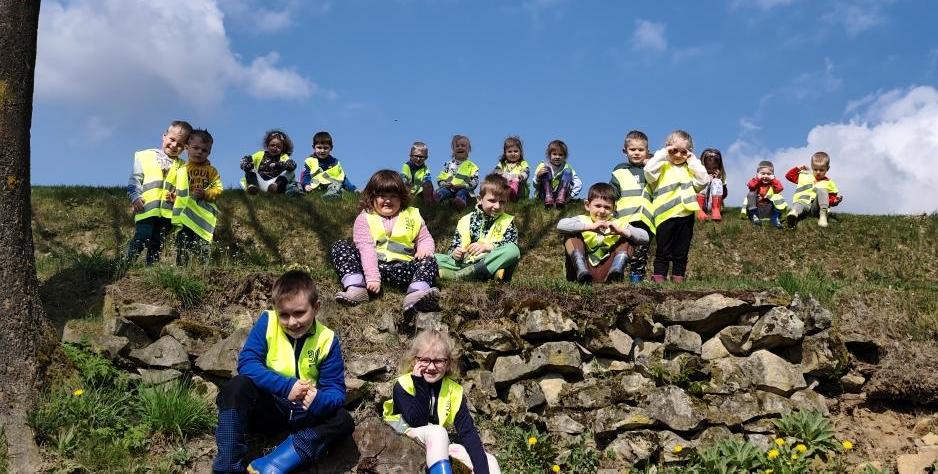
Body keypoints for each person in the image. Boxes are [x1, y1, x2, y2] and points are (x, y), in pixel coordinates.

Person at [213, 270, 354, 474]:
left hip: (304, 414)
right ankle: (228, 467)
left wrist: (318, 400)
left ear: (316, 308)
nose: (292, 322)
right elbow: (247, 363)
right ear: (276, 310)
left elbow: (336, 391)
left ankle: (273, 464)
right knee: (236, 387)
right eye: (284, 315)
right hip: (269, 407)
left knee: (343, 420)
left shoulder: (328, 339)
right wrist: (287, 387)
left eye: (299, 313)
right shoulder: (267, 322)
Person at [382, 330, 501, 474]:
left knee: (490, 461)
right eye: (425, 360)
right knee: (438, 432)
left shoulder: (453, 391)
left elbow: (468, 434)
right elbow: (417, 421)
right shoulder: (403, 384)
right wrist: (419, 383)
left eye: (438, 361)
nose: (431, 367)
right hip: (399, 436)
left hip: (434, 443)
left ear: (448, 363)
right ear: (415, 360)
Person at [330, 170, 441, 312]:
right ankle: (356, 288)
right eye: (382, 196)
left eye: (393, 196)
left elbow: (425, 238)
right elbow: (366, 249)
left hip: (403, 269)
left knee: (430, 260)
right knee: (341, 246)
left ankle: (416, 294)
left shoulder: (413, 215)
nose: (388, 200)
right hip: (372, 269)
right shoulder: (364, 218)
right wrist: (373, 278)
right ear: (372, 197)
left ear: (401, 198)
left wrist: (424, 249)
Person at [645, 130, 710, 283]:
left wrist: (692, 160)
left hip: (685, 214)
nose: (679, 155)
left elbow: (703, 181)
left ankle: (678, 277)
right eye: (674, 150)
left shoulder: (690, 169)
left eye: (683, 152)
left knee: (682, 250)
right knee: (663, 249)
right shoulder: (662, 166)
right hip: (665, 215)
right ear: (667, 148)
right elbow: (648, 171)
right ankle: (659, 276)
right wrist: (664, 153)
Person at [126, 120, 192, 266]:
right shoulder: (145, 156)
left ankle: (152, 270)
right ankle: (125, 264)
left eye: (180, 144)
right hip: (146, 208)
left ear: (185, 148)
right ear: (164, 136)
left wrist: (176, 198)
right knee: (142, 237)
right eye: (172, 140)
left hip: (167, 213)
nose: (174, 145)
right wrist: (135, 197)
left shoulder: (183, 167)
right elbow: (135, 180)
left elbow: (183, 189)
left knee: (157, 242)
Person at [556, 183, 650, 283]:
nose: (602, 211)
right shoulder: (582, 220)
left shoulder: (617, 224)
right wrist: (589, 227)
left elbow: (645, 237)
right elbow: (561, 225)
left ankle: (615, 273)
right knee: (571, 234)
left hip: (607, 271)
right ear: (587, 205)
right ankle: (582, 272)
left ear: (614, 208)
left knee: (628, 236)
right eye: (597, 206)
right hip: (581, 271)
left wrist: (621, 231)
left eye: (607, 207)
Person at [436, 174, 520, 281]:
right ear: (479, 199)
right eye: (492, 200)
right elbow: (454, 245)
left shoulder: (508, 221)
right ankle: (487, 274)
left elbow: (510, 243)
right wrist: (455, 253)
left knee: (513, 250)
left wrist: (487, 247)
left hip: (489, 260)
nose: (497, 206)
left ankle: (460, 276)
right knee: (433, 258)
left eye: (502, 202)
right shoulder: (465, 220)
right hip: (465, 262)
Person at [610, 130, 655, 283]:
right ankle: (616, 278)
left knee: (641, 252)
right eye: (632, 149)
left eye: (641, 150)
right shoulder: (620, 171)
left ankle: (636, 280)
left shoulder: (651, 170)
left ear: (647, 152)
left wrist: (652, 164)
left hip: (645, 219)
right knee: (623, 249)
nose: (636, 153)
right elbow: (613, 193)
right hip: (625, 219)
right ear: (625, 151)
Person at [172, 129, 222, 266]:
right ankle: (181, 270)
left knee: (202, 246)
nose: (200, 152)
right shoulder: (180, 170)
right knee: (182, 244)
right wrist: (173, 197)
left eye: (204, 150)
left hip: (202, 218)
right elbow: (177, 189)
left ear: (209, 153)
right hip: (184, 216)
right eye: (196, 148)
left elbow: (218, 189)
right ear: (187, 148)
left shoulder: (211, 171)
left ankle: (203, 270)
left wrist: (206, 194)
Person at [785, 152, 843, 228]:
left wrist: (834, 201)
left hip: (816, 209)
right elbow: (789, 176)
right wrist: (798, 168)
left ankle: (823, 216)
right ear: (812, 166)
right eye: (815, 169)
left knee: (822, 190)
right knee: (799, 204)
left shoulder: (830, 183)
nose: (818, 172)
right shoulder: (804, 176)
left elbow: (830, 200)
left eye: (821, 170)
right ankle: (793, 214)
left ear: (827, 168)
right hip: (803, 203)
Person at [300, 131, 356, 199]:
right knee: (299, 185)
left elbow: (342, 178)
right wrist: (306, 184)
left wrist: (353, 189)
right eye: (319, 147)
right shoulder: (310, 161)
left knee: (337, 185)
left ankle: (331, 195)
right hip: (315, 186)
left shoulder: (335, 162)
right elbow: (306, 175)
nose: (322, 151)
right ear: (313, 147)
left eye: (326, 148)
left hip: (331, 186)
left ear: (331, 148)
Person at [240, 129, 297, 194]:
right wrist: (246, 165)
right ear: (267, 145)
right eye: (272, 145)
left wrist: (287, 165)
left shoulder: (283, 156)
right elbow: (245, 160)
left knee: (290, 172)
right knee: (250, 168)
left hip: (275, 183)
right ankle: (253, 187)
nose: (275, 148)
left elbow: (293, 164)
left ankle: (275, 188)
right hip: (259, 183)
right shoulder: (260, 154)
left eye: (278, 147)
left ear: (282, 148)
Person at [533, 139, 582, 208]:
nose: (557, 157)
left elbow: (578, 183)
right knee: (545, 170)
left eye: (560, 155)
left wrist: (570, 196)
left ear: (564, 156)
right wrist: (538, 177)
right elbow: (535, 185)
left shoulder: (567, 167)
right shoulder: (543, 165)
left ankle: (561, 199)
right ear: (549, 155)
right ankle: (548, 198)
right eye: (554, 154)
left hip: (559, 196)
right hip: (543, 195)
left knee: (568, 172)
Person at [435, 135, 479, 209]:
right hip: (449, 189)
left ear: (469, 149)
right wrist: (445, 184)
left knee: (461, 193)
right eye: (457, 146)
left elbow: (475, 182)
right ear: (453, 149)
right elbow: (440, 178)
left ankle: (460, 204)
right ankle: (434, 201)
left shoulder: (472, 166)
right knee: (443, 192)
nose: (460, 147)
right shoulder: (448, 165)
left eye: (463, 146)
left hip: (464, 189)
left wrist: (464, 186)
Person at [742, 160, 787, 228]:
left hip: (769, 208)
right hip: (758, 208)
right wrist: (757, 179)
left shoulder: (773, 183)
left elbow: (780, 188)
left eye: (769, 174)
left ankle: (775, 219)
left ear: (772, 175)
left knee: (778, 196)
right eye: (763, 174)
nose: (765, 176)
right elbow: (751, 186)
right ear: (758, 174)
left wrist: (773, 180)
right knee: (751, 193)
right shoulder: (756, 181)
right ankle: (754, 216)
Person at [492, 136, 530, 201]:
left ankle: (513, 194)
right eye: (509, 151)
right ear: (505, 153)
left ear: (520, 152)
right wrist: (500, 173)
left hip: (519, 187)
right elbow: (496, 170)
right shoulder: (502, 164)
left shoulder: (522, 163)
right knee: (496, 182)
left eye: (516, 151)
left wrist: (522, 176)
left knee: (515, 182)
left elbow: (526, 171)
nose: (513, 154)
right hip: (505, 184)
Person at [696, 148, 727, 222]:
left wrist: (719, 180)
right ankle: (700, 210)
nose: (711, 170)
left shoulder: (720, 177)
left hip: (712, 204)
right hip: (700, 203)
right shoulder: (698, 175)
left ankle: (715, 210)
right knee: (702, 181)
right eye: (708, 168)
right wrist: (705, 178)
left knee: (717, 181)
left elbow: (725, 194)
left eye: (714, 168)